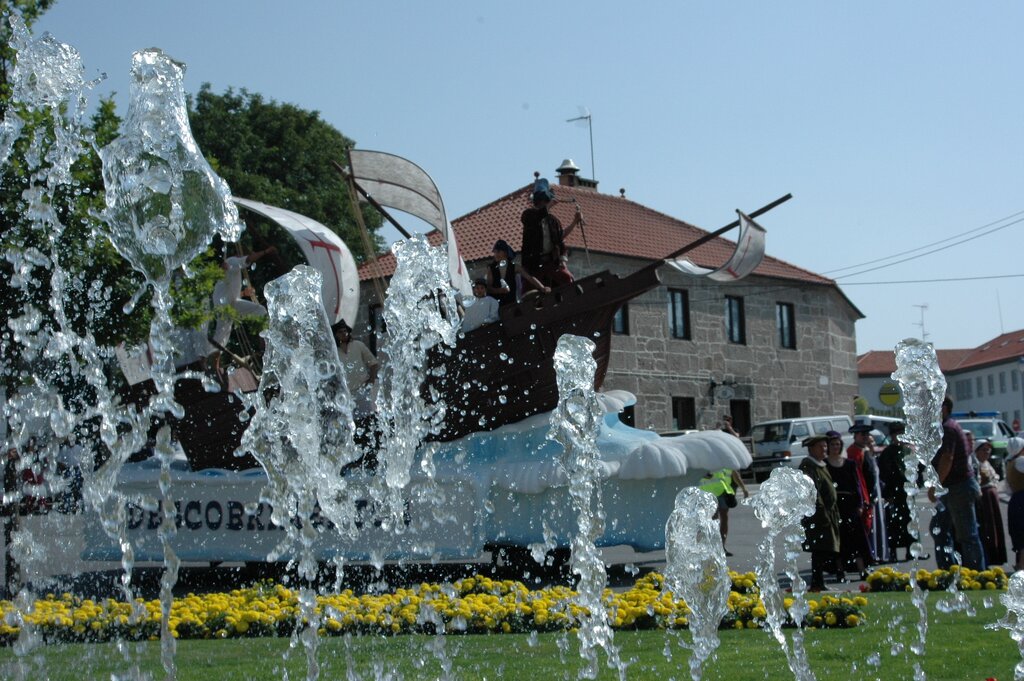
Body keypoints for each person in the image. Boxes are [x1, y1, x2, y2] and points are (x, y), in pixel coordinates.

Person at [931, 396, 986, 571]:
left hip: (958, 487)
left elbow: (948, 458)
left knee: (967, 534)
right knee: (939, 527)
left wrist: (935, 485)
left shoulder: (948, 428)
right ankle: (948, 570)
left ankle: (976, 574)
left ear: (944, 408)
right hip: (954, 487)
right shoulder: (947, 427)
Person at [519, 177, 580, 294]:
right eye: (543, 201)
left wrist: (574, 221)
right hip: (533, 263)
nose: (544, 203)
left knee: (567, 279)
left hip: (551, 262)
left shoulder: (553, 221)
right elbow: (536, 217)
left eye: (545, 201)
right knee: (527, 289)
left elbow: (560, 237)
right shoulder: (528, 215)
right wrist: (548, 206)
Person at [825, 431, 872, 580]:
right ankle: (840, 571)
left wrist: (859, 504)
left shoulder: (849, 464)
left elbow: (856, 484)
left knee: (857, 538)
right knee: (838, 540)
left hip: (850, 505)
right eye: (832, 444)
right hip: (834, 506)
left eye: (837, 444)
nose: (835, 447)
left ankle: (861, 570)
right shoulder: (824, 465)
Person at [210, 246, 277, 350]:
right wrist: (266, 251)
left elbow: (229, 292)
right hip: (224, 305)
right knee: (222, 334)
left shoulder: (233, 268)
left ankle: (263, 341)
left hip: (230, 303)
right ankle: (207, 359)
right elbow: (249, 259)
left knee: (259, 311)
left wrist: (243, 293)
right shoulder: (232, 261)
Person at [798, 434, 841, 592]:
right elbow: (813, 493)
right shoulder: (808, 466)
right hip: (818, 516)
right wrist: (822, 515)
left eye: (825, 446)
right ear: (811, 449)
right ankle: (817, 582)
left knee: (824, 549)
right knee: (819, 550)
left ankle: (819, 581)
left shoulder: (820, 464)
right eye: (821, 446)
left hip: (827, 513)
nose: (825, 449)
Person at [877, 422, 921, 561]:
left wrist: (916, 485)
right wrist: (887, 494)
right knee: (894, 523)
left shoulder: (908, 450)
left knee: (910, 520)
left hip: (908, 492)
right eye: (896, 434)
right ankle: (893, 553)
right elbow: (884, 474)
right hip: (894, 493)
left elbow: (916, 470)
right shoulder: (887, 453)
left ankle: (912, 550)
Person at [698, 468, 750, 557]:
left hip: (722, 492)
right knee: (712, 520)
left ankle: (721, 547)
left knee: (723, 518)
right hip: (708, 493)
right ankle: (710, 547)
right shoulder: (706, 459)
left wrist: (744, 488)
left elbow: (734, 472)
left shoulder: (723, 459)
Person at [973, 438, 1008, 567]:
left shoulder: (987, 464)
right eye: (983, 449)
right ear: (976, 451)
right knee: (986, 528)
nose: (987, 452)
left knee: (994, 527)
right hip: (984, 500)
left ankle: (996, 556)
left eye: (988, 450)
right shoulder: (975, 464)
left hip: (991, 499)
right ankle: (986, 557)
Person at [333, 321, 379, 414]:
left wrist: (372, 379)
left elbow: (373, 363)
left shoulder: (358, 345)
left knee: (366, 416)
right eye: (340, 332)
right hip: (345, 393)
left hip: (362, 389)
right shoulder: (334, 352)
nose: (343, 334)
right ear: (336, 335)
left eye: (345, 331)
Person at [865, 433, 890, 563]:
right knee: (872, 527)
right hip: (871, 496)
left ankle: (880, 553)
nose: (871, 446)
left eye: (873, 443)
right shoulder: (865, 458)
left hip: (878, 495)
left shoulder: (874, 457)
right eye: (869, 443)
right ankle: (873, 554)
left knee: (880, 525)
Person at [1005, 437, 1024, 572]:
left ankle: (1020, 564)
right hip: (1022, 499)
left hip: (1016, 499)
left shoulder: (1010, 462)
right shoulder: (1021, 461)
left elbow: (1007, 489)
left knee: (1019, 533)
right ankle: (1021, 565)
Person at [486, 240, 518, 307]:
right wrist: (501, 290)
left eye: (498, 252)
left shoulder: (513, 267)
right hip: (497, 307)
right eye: (495, 252)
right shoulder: (492, 268)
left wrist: (542, 287)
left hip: (512, 304)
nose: (496, 254)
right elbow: (488, 289)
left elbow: (529, 277)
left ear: (505, 253)